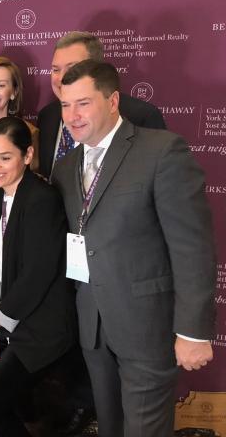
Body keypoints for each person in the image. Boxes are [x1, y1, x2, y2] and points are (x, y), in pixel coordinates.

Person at [51, 59, 216, 437]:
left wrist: (193, 331)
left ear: (112, 101)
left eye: (83, 103)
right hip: (93, 326)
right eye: (65, 104)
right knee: (110, 425)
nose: (72, 116)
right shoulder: (65, 167)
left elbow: (193, 247)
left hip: (147, 327)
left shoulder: (161, 151)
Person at [0, 117, 76, 436]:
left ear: (27, 155)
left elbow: (38, 274)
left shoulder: (42, 200)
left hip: (41, 325)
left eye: (5, 157)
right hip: (9, 316)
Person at [37, 31, 166, 179]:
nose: (61, 78)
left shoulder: (142, 117)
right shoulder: (47, 116)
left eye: (72, 68)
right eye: (55, 69)